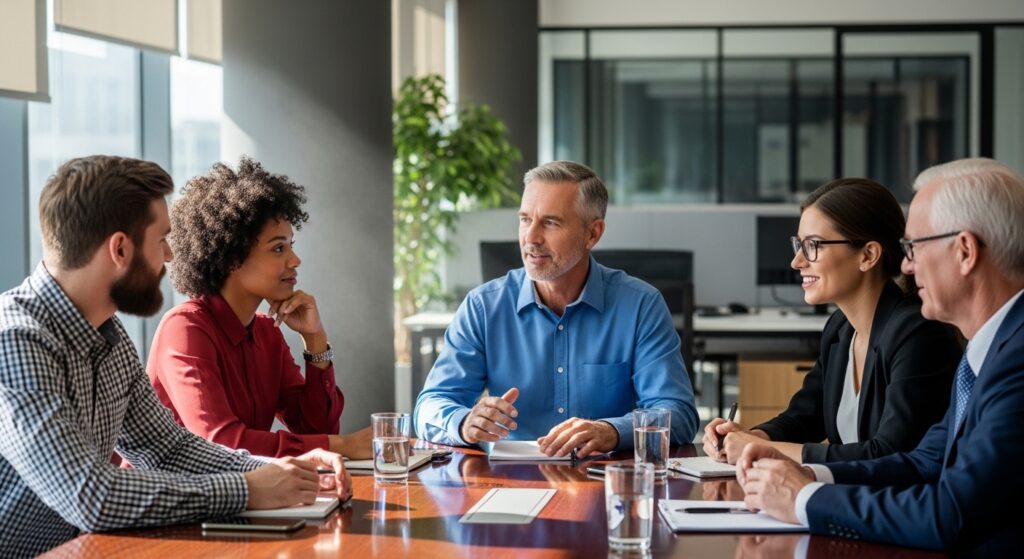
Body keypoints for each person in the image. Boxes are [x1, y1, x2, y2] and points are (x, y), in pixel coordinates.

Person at [0, 156, 350, 558]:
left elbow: (169, 448)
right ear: (120, 248)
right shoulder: (15, 341)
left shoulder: (111, 339)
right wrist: (248, 488)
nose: (170, 256)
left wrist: (287, 473)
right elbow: (90, 496)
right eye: (162, 239)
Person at [737, 158, 1024, 554]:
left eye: (914, 247)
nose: (905, 264)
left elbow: (951, 513)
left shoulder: (1016, 359)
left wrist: (803, 499)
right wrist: (804, 475)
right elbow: (920, 464)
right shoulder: (987, 350)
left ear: (964, 251)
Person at [414, 160, 698, 457]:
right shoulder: (483, 306)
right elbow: (430, 405)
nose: (531, 238)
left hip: (605, 482)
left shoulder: (641, 305)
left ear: (593, 234)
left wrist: (612, 431)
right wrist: (463, 423)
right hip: (510, 482)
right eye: (525, 220)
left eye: (550, 223)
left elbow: (678, 414)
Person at [703, 178, 960, 464]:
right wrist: (752, 436)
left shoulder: (917, 334)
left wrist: (765, 450)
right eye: (798, 245)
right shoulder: (840, 329)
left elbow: (890, 453)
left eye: (813, 245)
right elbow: (803, 418)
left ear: (868, 255)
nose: (797, 261)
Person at [147, 158, 371, 459]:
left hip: (240, 498)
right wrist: (341, 447)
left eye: (291, 245)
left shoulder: (266, 332)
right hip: (171, 501)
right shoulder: (185, 329)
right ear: (231, 257)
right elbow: (219, 442)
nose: (295, 260)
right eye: (279, 248)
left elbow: (315, 428)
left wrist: (315, 339)